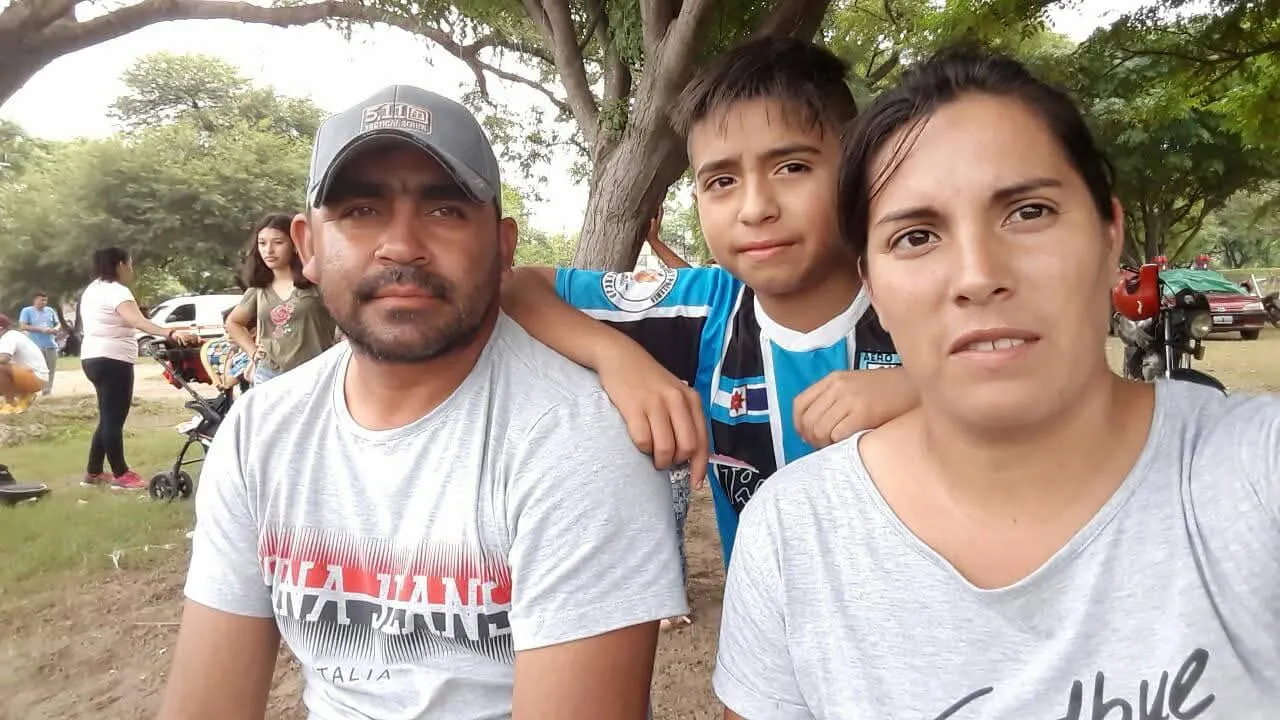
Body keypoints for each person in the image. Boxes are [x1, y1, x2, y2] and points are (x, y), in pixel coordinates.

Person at [713, 47, 1280, 719]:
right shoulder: (792, 536)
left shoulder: (1251, 477)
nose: (979, 274)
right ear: (874, 288)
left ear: (1110, 239)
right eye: (917, 237)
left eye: (1029, 212)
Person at [157, 85, 688, 720]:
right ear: (307, 248)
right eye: (359, 210)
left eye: (444, 210)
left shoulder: (577, 440)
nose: (401, 245)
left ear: (503, 246)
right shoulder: (259, 431)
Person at [501, 36, 918, 571]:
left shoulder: (920, 296)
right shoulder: (702, 309)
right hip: (768, 640)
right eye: (721, 180)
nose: (755, 208)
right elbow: (516, 287)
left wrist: (928, 391)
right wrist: (620, 359)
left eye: (791, 167)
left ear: (858, 172)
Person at [78, 247, 198, 490]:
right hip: (113, 360)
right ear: (120, 264)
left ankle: (93, 472)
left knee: (107, 416)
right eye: (129, 264)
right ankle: (121, 474)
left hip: (92, 357)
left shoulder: (92, 290)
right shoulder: (117, 291)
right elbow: (137, 321)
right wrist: (170, 332)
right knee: (114, 419)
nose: (131, 270)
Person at [225, 212, 338, 385]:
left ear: (295, 244)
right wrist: (253, 352)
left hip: (316, 374)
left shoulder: (317, 283)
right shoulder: (258, 289)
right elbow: (233, 323)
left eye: (278, 242)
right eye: (262, 243)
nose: (268, 250)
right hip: (269, 373)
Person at [0, 314, 50, 413]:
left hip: (36, 376)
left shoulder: (8, 337)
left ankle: (10, 404)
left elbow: (4, 359)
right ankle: (24, 396)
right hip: (33, 376)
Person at [18, 292, 60, 395]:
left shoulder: (50, 311)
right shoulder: (27, 311)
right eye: (41, 300)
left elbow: (58, 323)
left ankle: (47, 391)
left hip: (50, 344)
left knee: (50, 369)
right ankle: (32, 390)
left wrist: (55, 329)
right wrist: (40, 329)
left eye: (45, 300)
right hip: (35, 345)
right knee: (35, 369)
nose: (44, 302)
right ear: (35, 300)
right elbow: (23, 326)